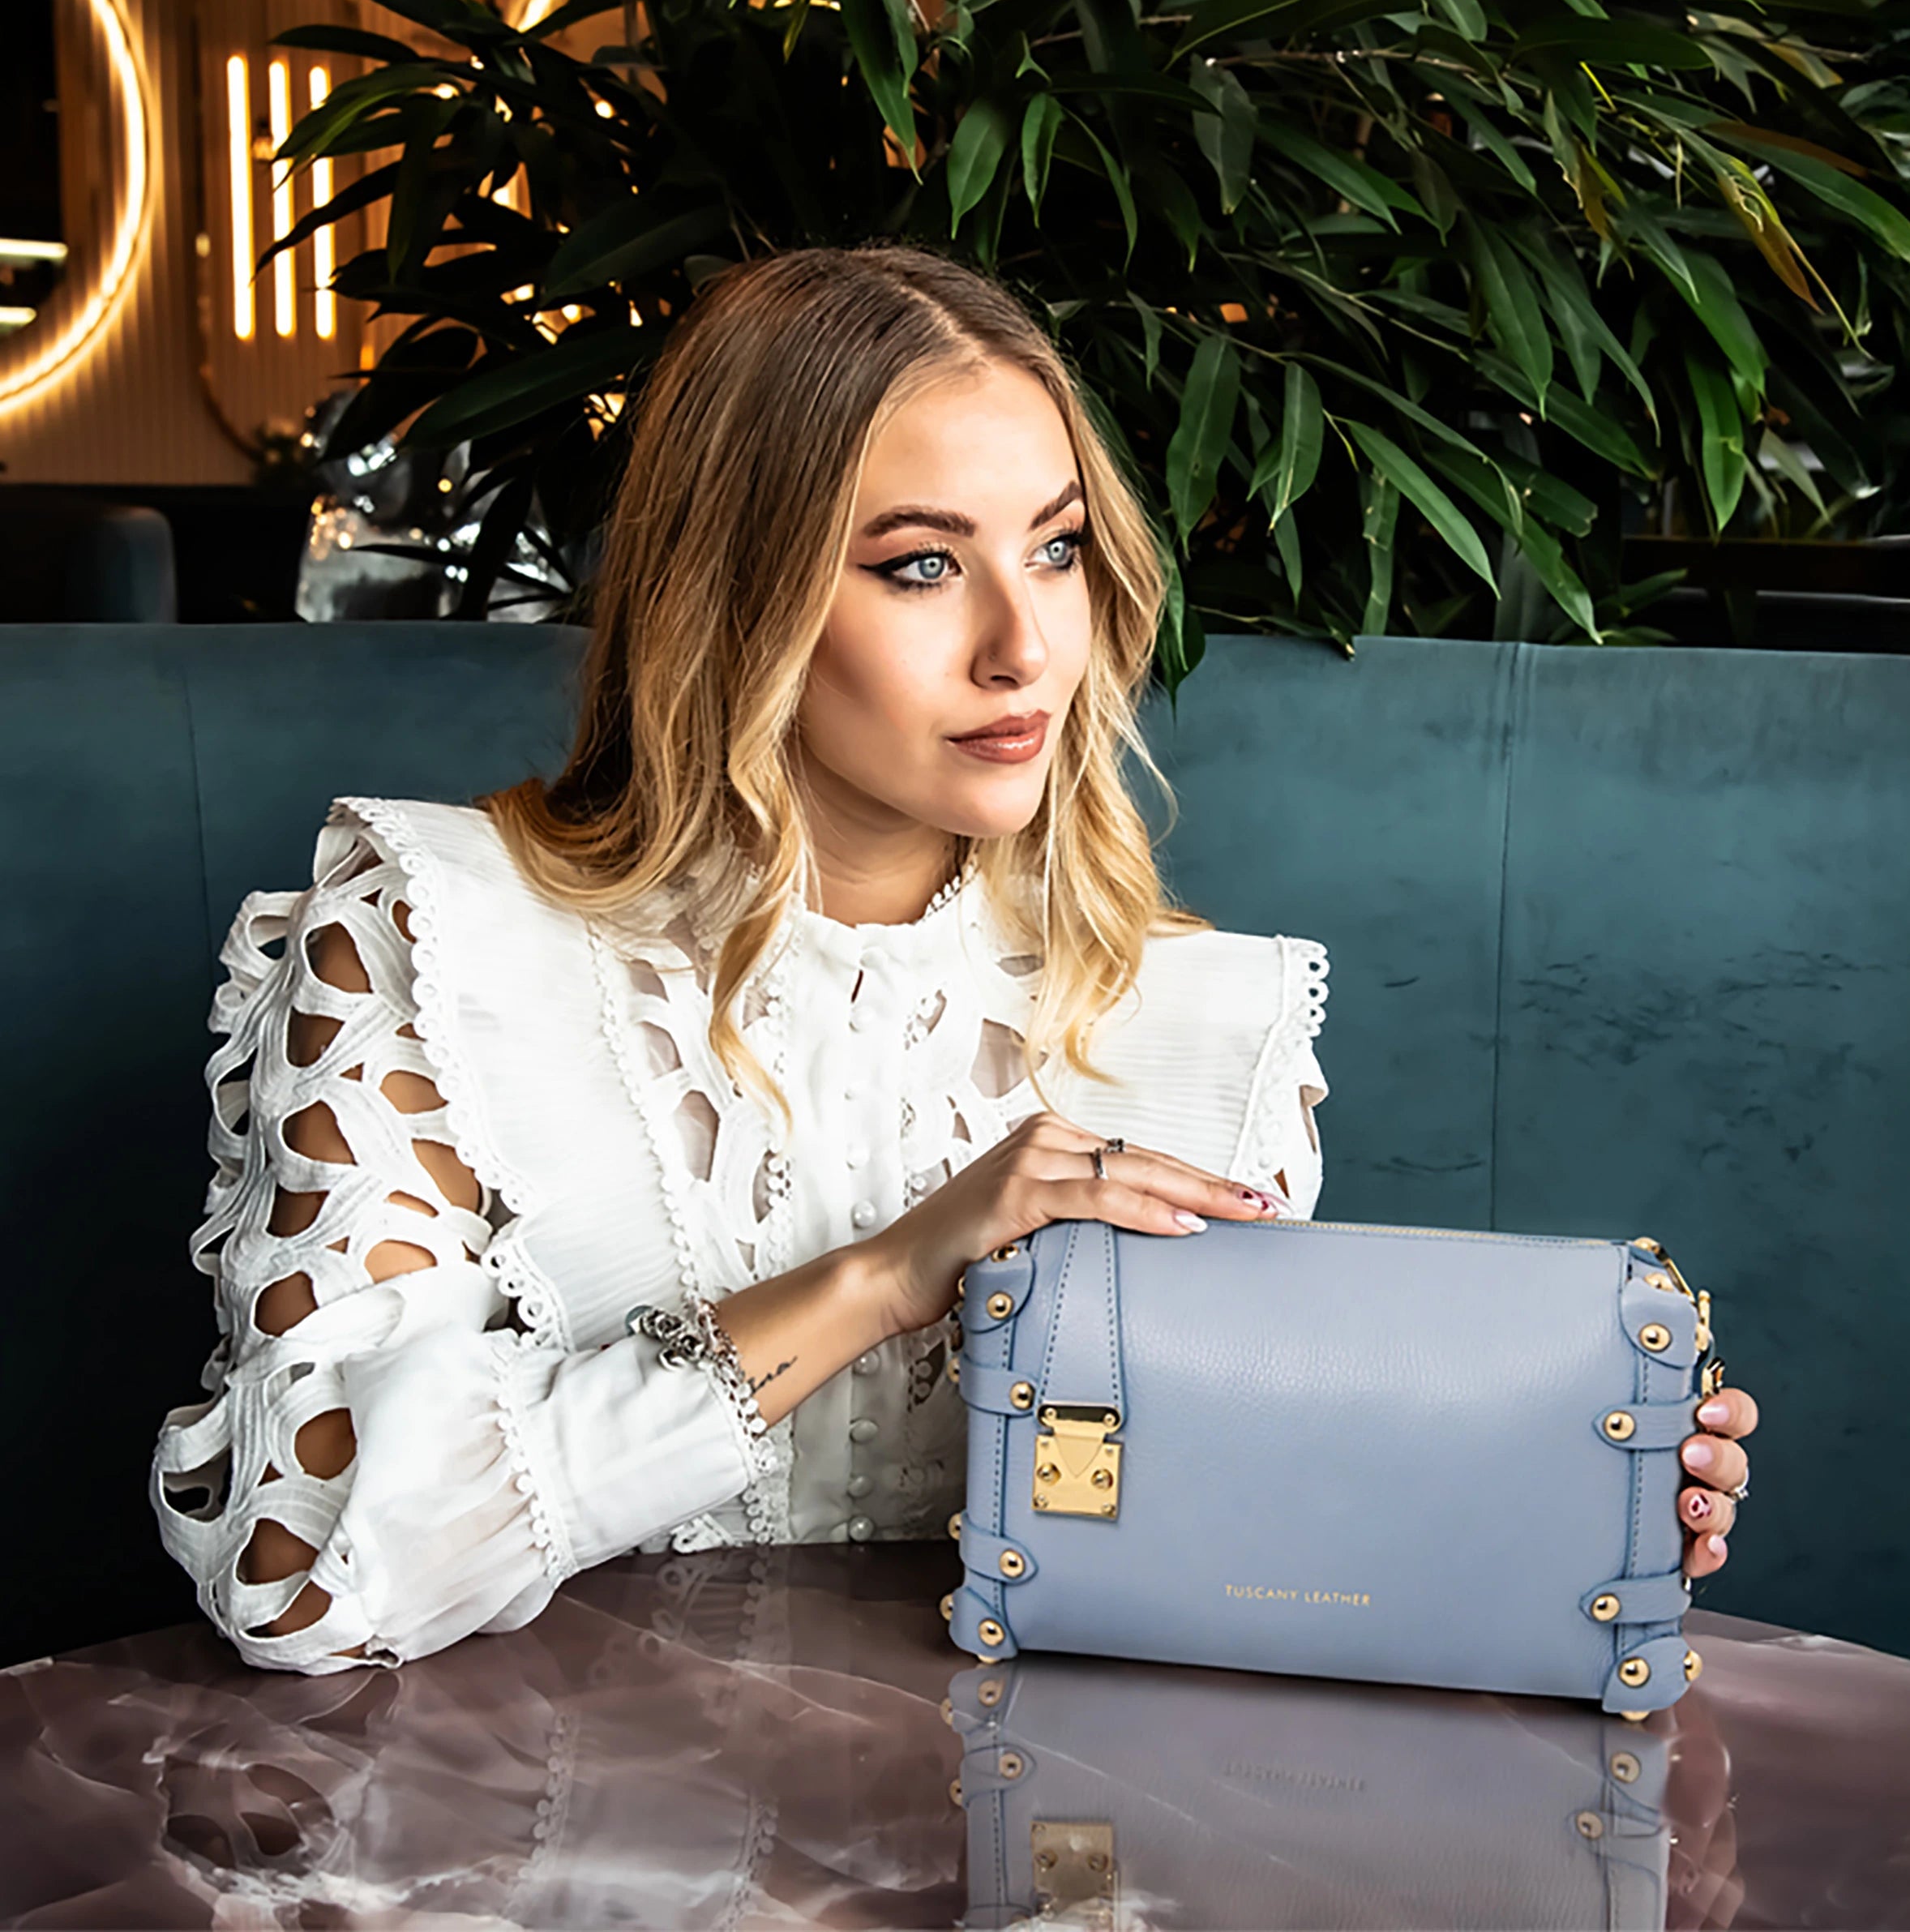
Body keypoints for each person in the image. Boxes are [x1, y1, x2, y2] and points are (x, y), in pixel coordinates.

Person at [151, 242, 1756, 1676]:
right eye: (921, 563)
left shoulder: (1188, 1025)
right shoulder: (436, 944)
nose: (1024, 645)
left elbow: (1209, 1564)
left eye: (1054, 549)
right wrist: (884, 1272)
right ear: (738, 594)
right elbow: (316, 1578)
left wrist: (1565, 1505)